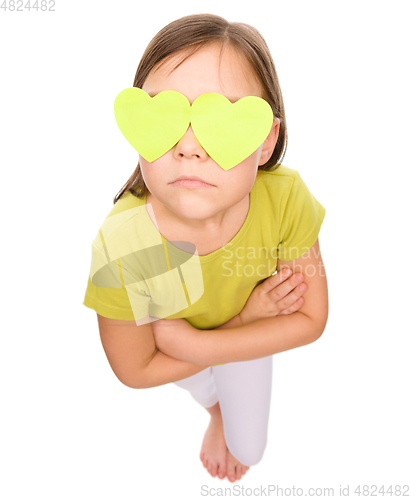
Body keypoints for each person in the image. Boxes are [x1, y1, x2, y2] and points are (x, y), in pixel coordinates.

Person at [83, 13, 328, 483]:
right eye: (166, 117)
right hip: (202, 345)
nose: (190, 148)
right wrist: (243, 322)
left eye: (223, 122)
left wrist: (195, 339)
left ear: (263, 142)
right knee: (200, 383)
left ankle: (222, 405)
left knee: (249, 448)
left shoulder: (284, 198)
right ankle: (214, 408)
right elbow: (137, 369)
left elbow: (311, 320)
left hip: (201, 338)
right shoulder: (126, 244)